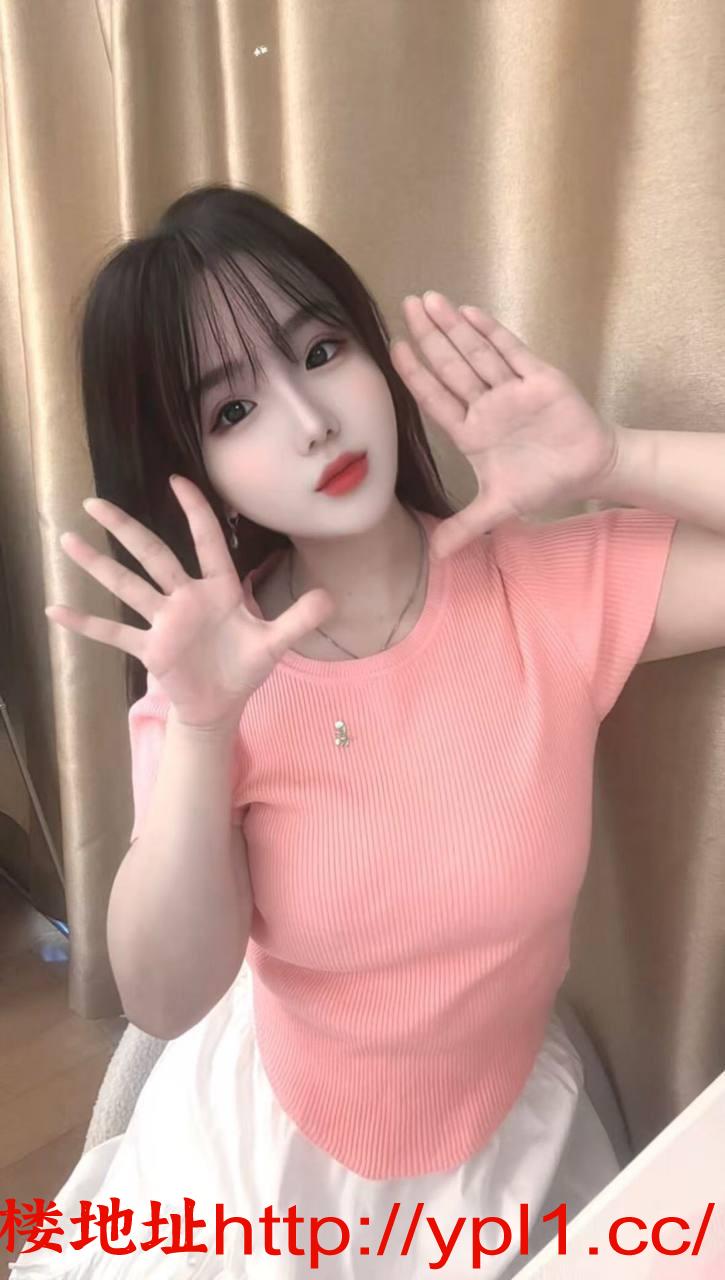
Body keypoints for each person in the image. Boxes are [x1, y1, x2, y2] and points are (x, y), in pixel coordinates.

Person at [15, 179, 708, 1279]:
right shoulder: (216, 680)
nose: (311, 421)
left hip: (507, 1147)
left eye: (321, 350)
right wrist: (201, 728)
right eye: (233, 411)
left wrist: (612, 458)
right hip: (274, 1166)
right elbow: (162, 996)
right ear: (195, 472)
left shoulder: (547, 593)